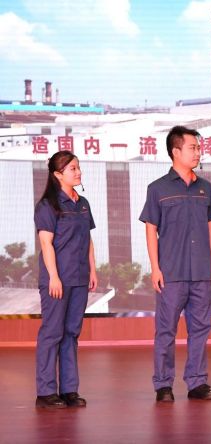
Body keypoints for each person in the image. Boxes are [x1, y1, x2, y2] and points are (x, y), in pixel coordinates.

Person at [139, 125, 211, 402]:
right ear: (176, 151)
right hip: (171, 272)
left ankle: (197, 382)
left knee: (200, 329)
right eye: (192, 148)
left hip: (200, 272)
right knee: (166, 330)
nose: (198, 152)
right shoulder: (158, 189)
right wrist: (155, 267)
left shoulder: (205, 188)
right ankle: (163, 384)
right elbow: (151, 228)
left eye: (199, 148)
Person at [34, 151, 98, 409]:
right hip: (57, 280)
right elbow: (46, 243)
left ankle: (69, 389)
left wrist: (92, 270)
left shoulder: (83, 203)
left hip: (79, 278)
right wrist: (53, 276)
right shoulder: (48, 205)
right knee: (52, 333)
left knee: (71, 333)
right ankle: (46, 392)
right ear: (58, 174)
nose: (78, 172)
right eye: (72, 168)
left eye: (78, 167)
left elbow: (88, 240)